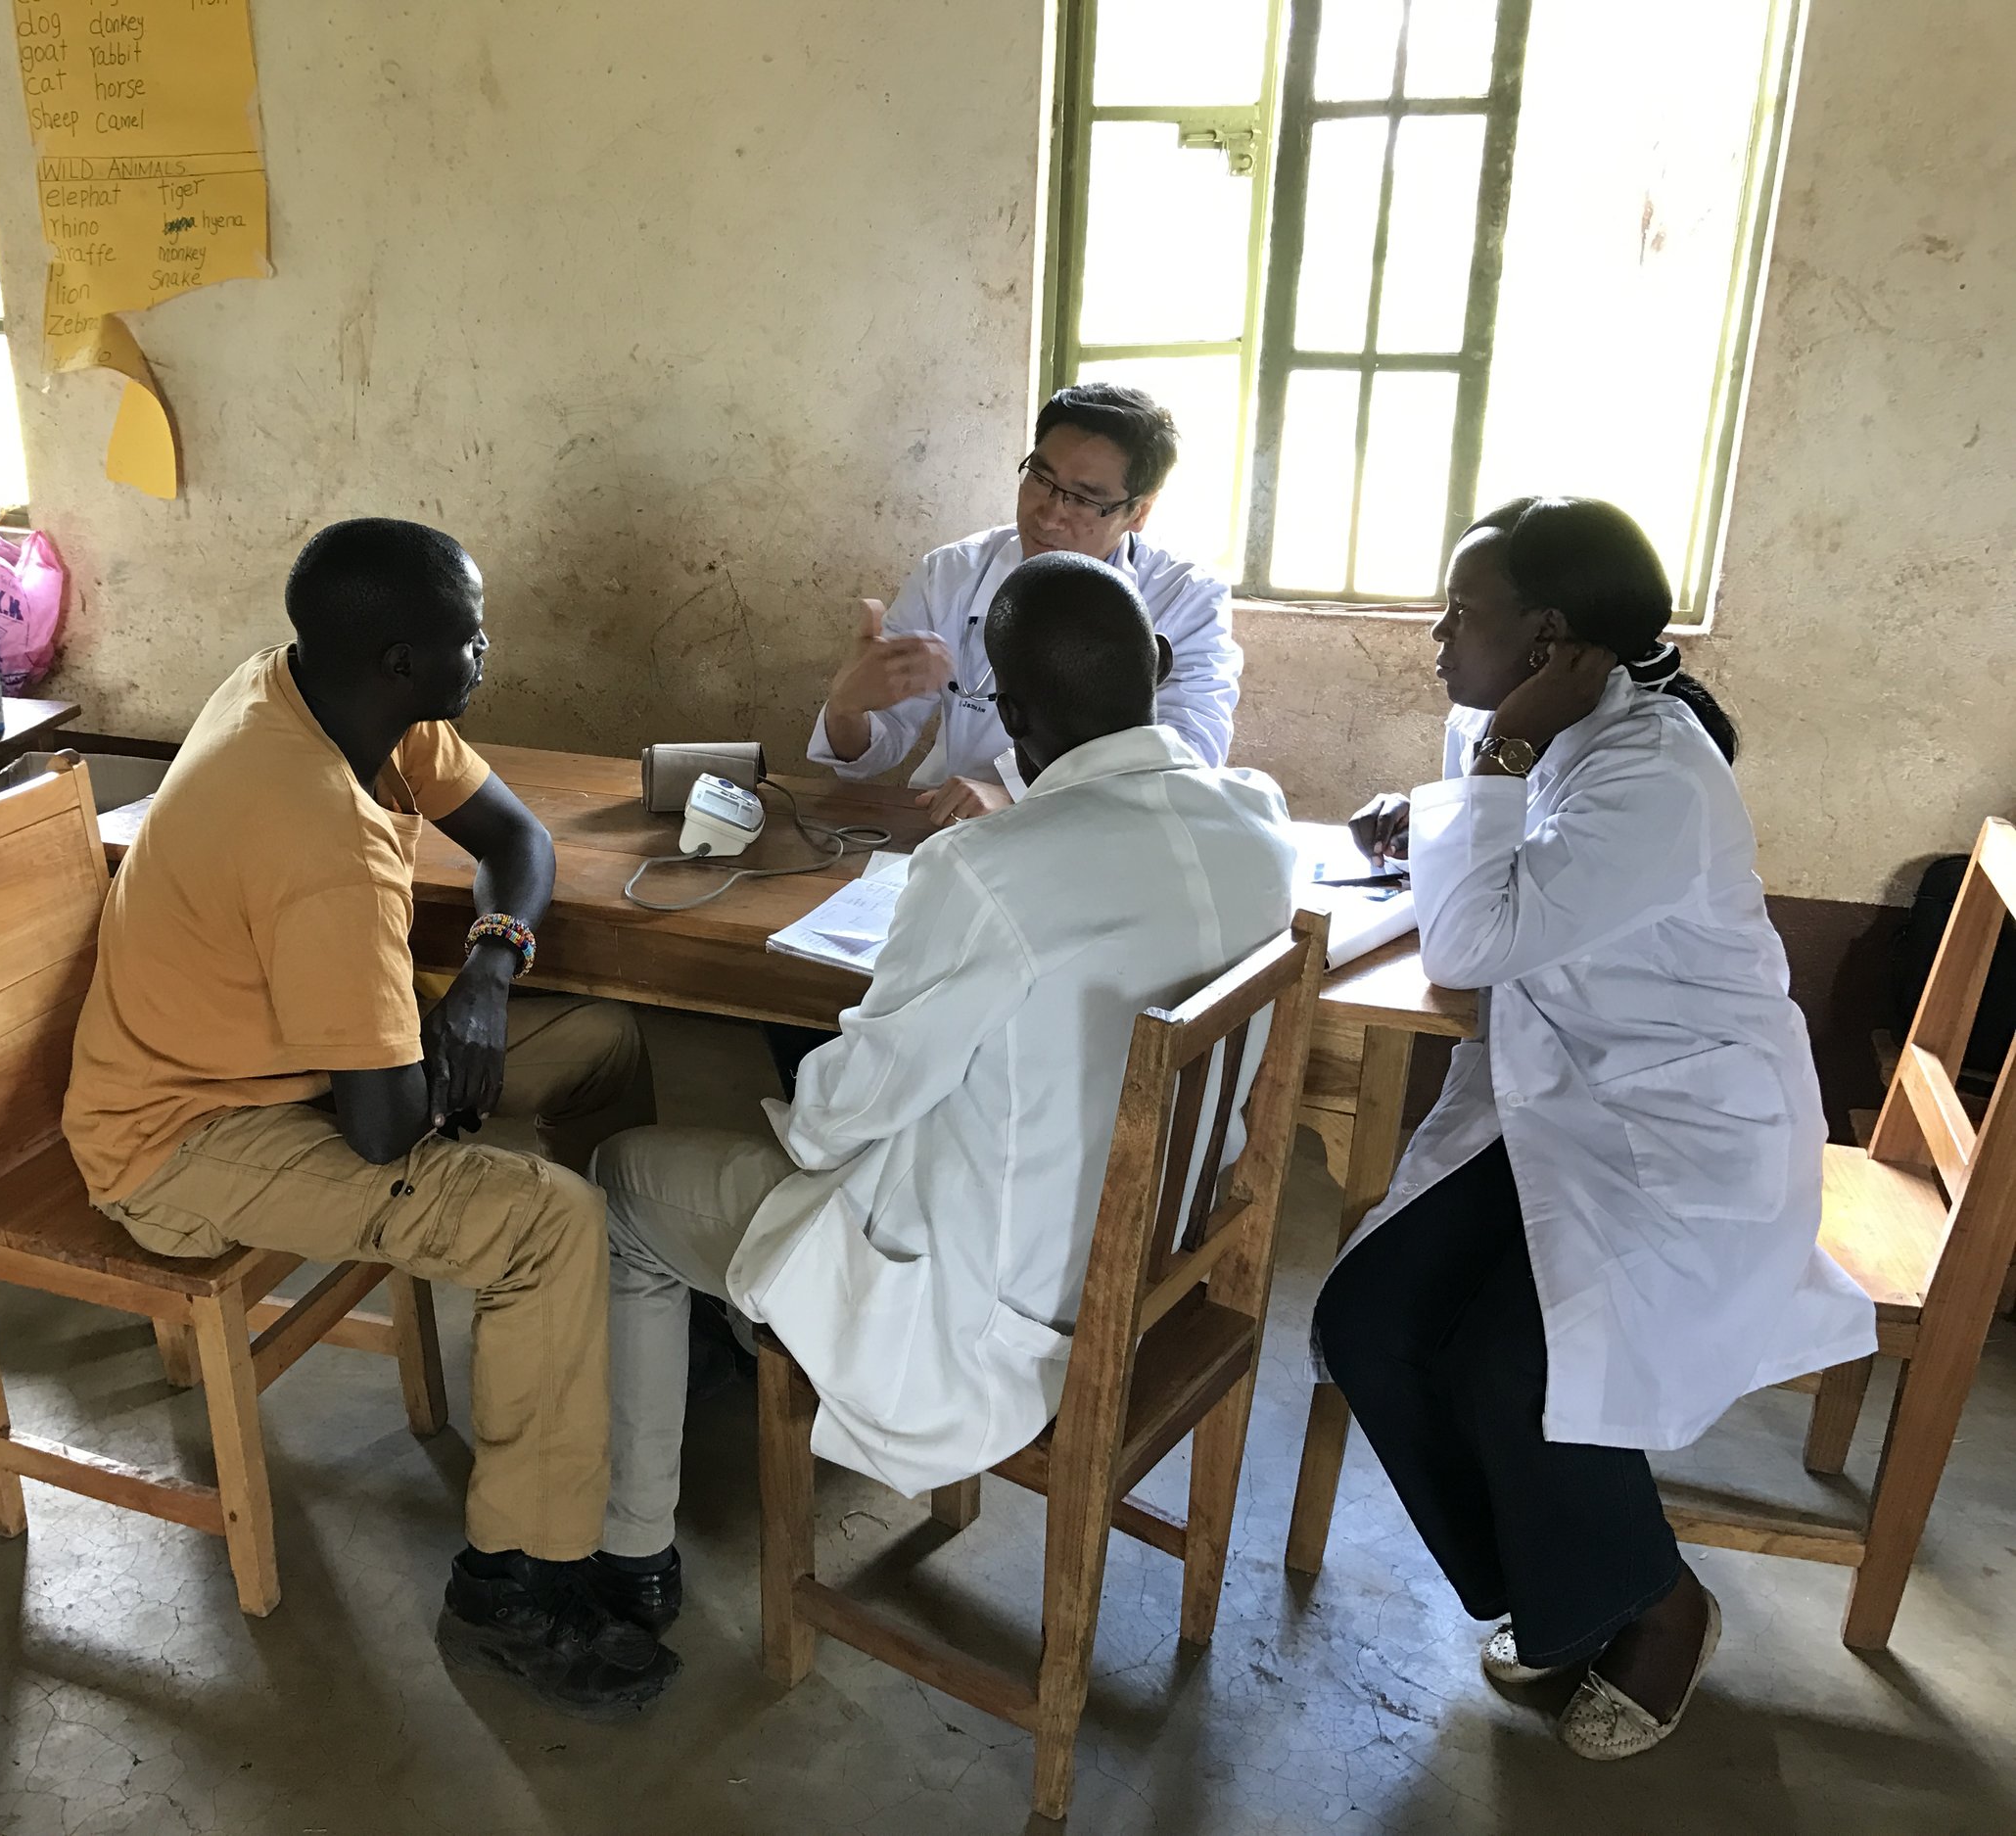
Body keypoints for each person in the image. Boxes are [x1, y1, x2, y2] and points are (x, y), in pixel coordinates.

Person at [584, 551, 1293, 1634]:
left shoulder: (988, 870)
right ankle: (738, 1324)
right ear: (1151, 668)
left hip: (987, 1327)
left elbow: (831, 1127)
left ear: (1005, 708)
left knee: (626, 1178)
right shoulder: (1256, 817)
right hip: (1155, 1271)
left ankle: (624, 1553)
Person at [62, 518, 678, 1716]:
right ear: (400, 657)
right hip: (181, 1143)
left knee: (601, 1043)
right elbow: (385, 1133)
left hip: (289, 1061)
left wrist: (489, 980)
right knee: (542, 1222)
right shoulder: (316, 832)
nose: (488, 648)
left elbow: (514, 836)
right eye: (471, 635)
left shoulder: (323, 694)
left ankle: (629, 1343)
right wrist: (436, 1063)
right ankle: (514, 1581)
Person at [1313, 496, 1875, 1761]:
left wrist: (1493, 774)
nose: (1438, 637)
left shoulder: (1659, 770)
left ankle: (1659, 1602)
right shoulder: (1552, 723)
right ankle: (1562, 1590)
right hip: (1561, 1100)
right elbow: (1513, 894)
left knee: (1517, 1363)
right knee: (1368, 1318)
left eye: (1465, 613)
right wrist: (1451, 809)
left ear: (1550, 638)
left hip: (1682, 1135)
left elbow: (1477, 937)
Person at [809, 381, 1242, 827]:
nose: (1049, 514)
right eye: (1040, 478)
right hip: (952, 828)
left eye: (1084, 498)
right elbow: (870, 753)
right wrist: (846, 707)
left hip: (1101, 837)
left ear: (1138, 512)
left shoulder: (1186, 598)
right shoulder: (952, 574)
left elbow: (1190, 761)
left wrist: (1021, 796)